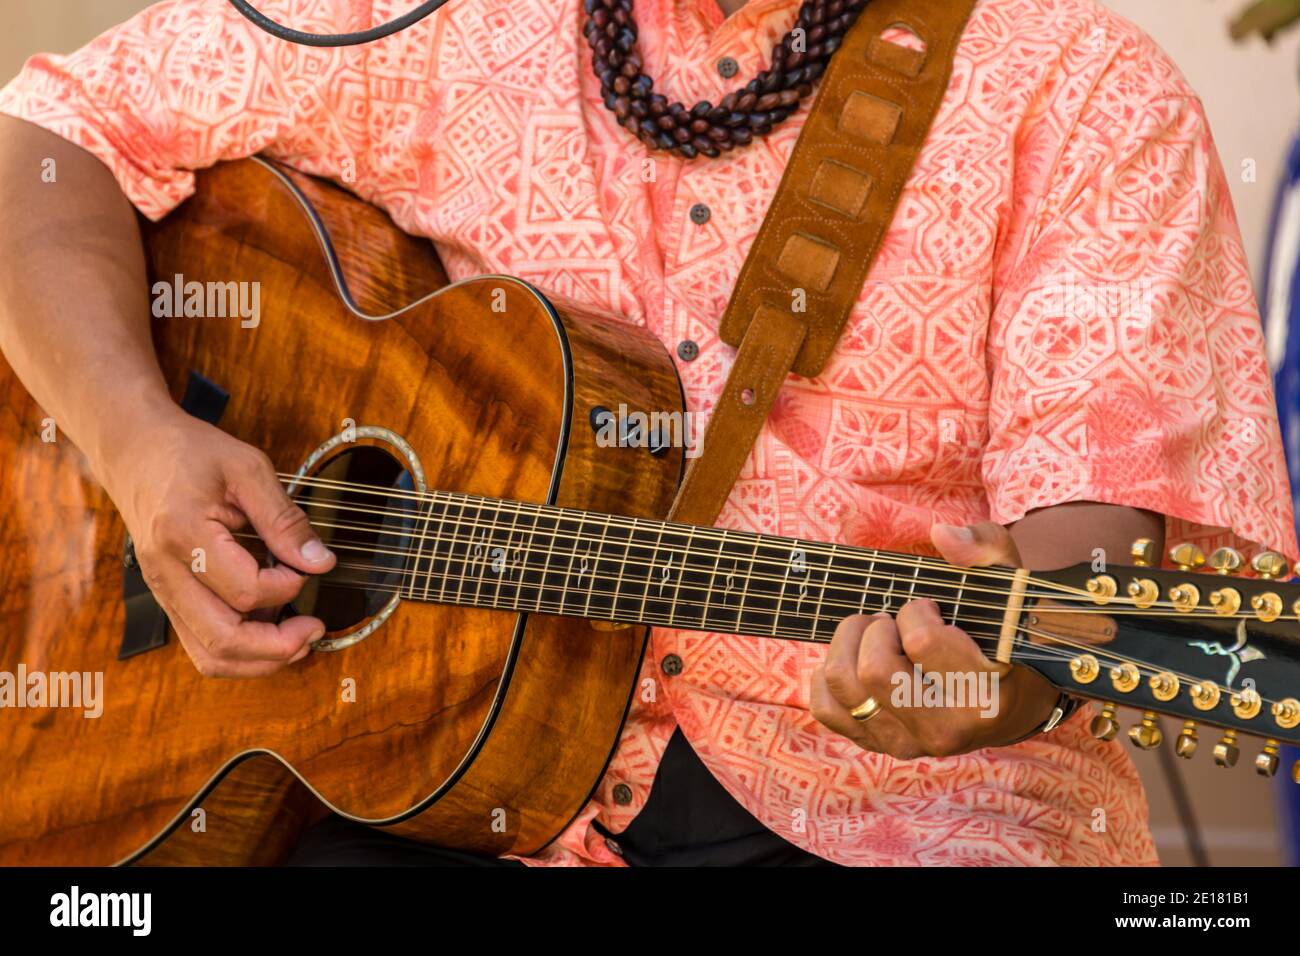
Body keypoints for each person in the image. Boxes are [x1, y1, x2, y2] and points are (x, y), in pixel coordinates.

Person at [0, 0, 1292, 866]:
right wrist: (135, 440)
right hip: (407, 753)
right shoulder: (425, 22)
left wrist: (989, 678)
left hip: (883, 801)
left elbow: (1088, 569)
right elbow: (45, 136)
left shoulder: (1081, 87)